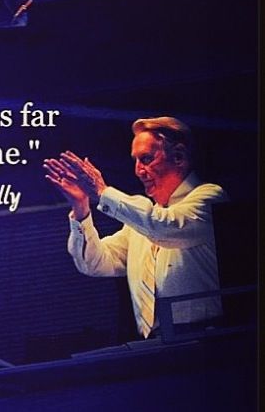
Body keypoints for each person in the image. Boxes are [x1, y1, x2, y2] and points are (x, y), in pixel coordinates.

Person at [44, 116, 228, 339]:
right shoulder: (141, 224)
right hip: (157, 342)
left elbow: (164, 227)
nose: (138, 171)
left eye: (146, 159)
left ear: (178, 156)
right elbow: (94, 263)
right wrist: (81, 208)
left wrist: (102, 192)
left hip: (207, 338)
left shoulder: (209, 197)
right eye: (136, 161)